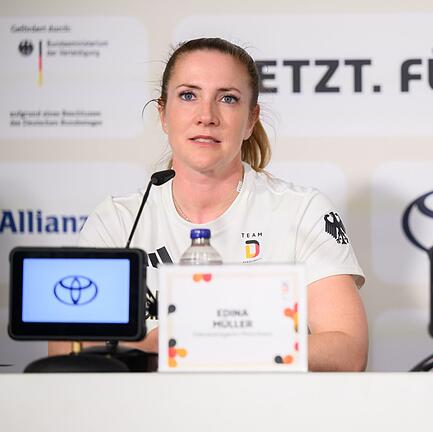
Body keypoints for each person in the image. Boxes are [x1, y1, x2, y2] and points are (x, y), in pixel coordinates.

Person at [49, 38, 368, 372]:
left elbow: (347, 350)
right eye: (189, 95)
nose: (206, 116)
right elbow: (64, 350)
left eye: (227, 99)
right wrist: (162, 342)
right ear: (163, 114)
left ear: (250, 120)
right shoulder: (117, 221)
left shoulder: (301, 211)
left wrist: (212, 343)